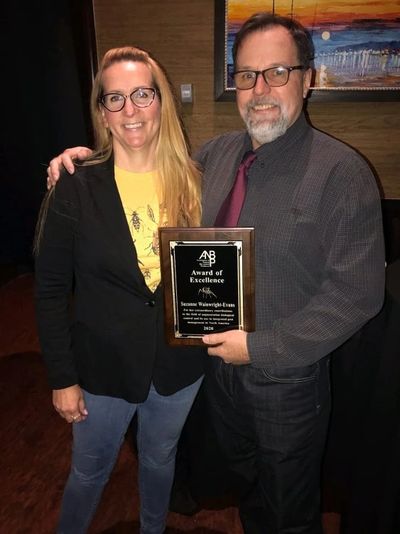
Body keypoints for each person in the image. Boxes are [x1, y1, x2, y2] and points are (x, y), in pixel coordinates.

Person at [46, 13, 386, 534]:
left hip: (284, 382)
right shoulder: (217, 155)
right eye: (247, 76)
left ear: (308, 78)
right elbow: (139, 160)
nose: (261, 89)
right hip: (215, 376)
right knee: (247, 491)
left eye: (277, 72)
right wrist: (83, 159)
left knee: (290, 508)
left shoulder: (342, 172)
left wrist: (260, 347)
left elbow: (357, 295)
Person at [35, 45, 204, 534]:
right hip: (101, 369)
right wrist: (62, 379)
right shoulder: (75, 186)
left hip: (178, 365)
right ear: (102, 113)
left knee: (159, 460)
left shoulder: (196, 180)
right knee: (89, 471)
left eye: (142, 94)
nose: (130, 110)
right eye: (115, 99)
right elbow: (48, 291)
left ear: (161, 101)